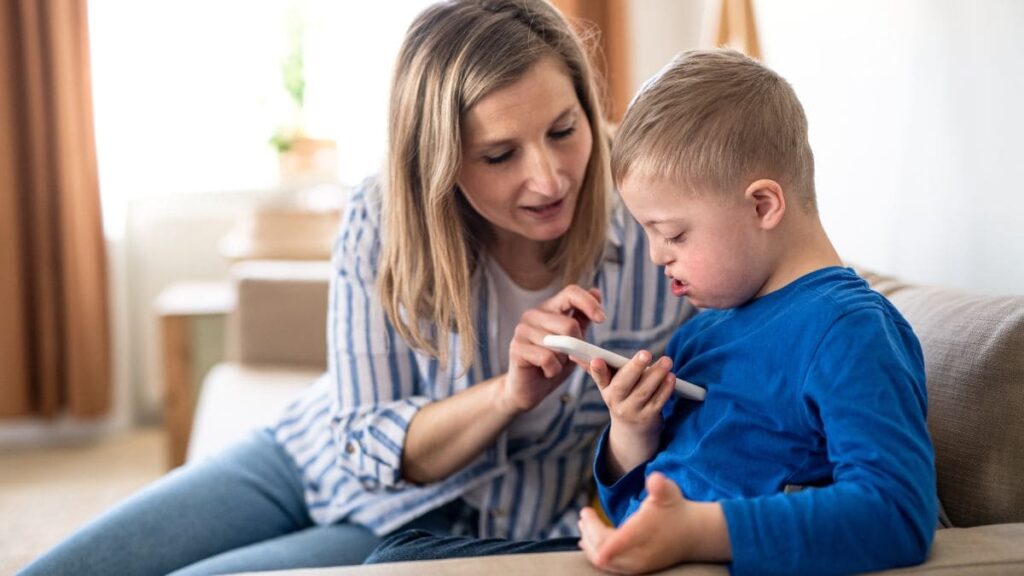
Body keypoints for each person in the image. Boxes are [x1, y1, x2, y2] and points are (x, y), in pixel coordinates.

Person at [18, 1, 691, 575]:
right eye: (498, 155)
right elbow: (364, 444)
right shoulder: (382, 215)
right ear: (439, 159)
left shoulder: (651, 220)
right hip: (307, 455)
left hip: (440, 520)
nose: (548, 179)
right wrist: (507, 394)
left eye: (563, 130)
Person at [364, 49, 937, 575]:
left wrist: (701, 533)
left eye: (672, 234)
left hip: (705, 561)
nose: (657, 256)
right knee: (399, 554)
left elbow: (896, 511)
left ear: (763, 204)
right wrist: (631, 433)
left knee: (395, 564)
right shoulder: (704, 332)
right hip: (631, 553)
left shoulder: (850, 331)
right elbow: (635, 498)